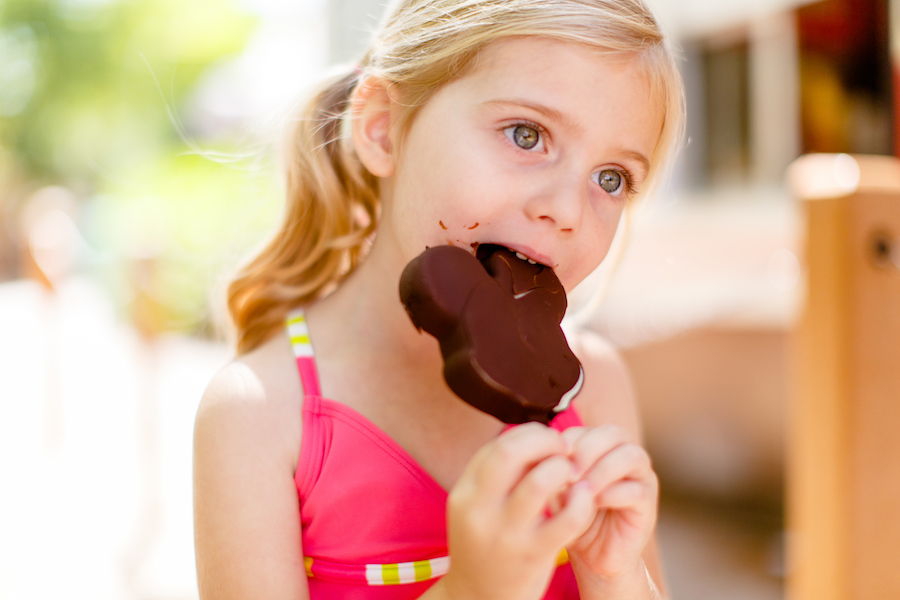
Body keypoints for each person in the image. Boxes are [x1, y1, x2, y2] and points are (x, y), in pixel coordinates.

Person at [193, 0, 685, 598]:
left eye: (611, 178)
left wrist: (613, 574)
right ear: (382, 128)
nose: (567, 210)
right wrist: (470, 590)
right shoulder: (259, 418)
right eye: (527, 135)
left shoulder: (594, 387)